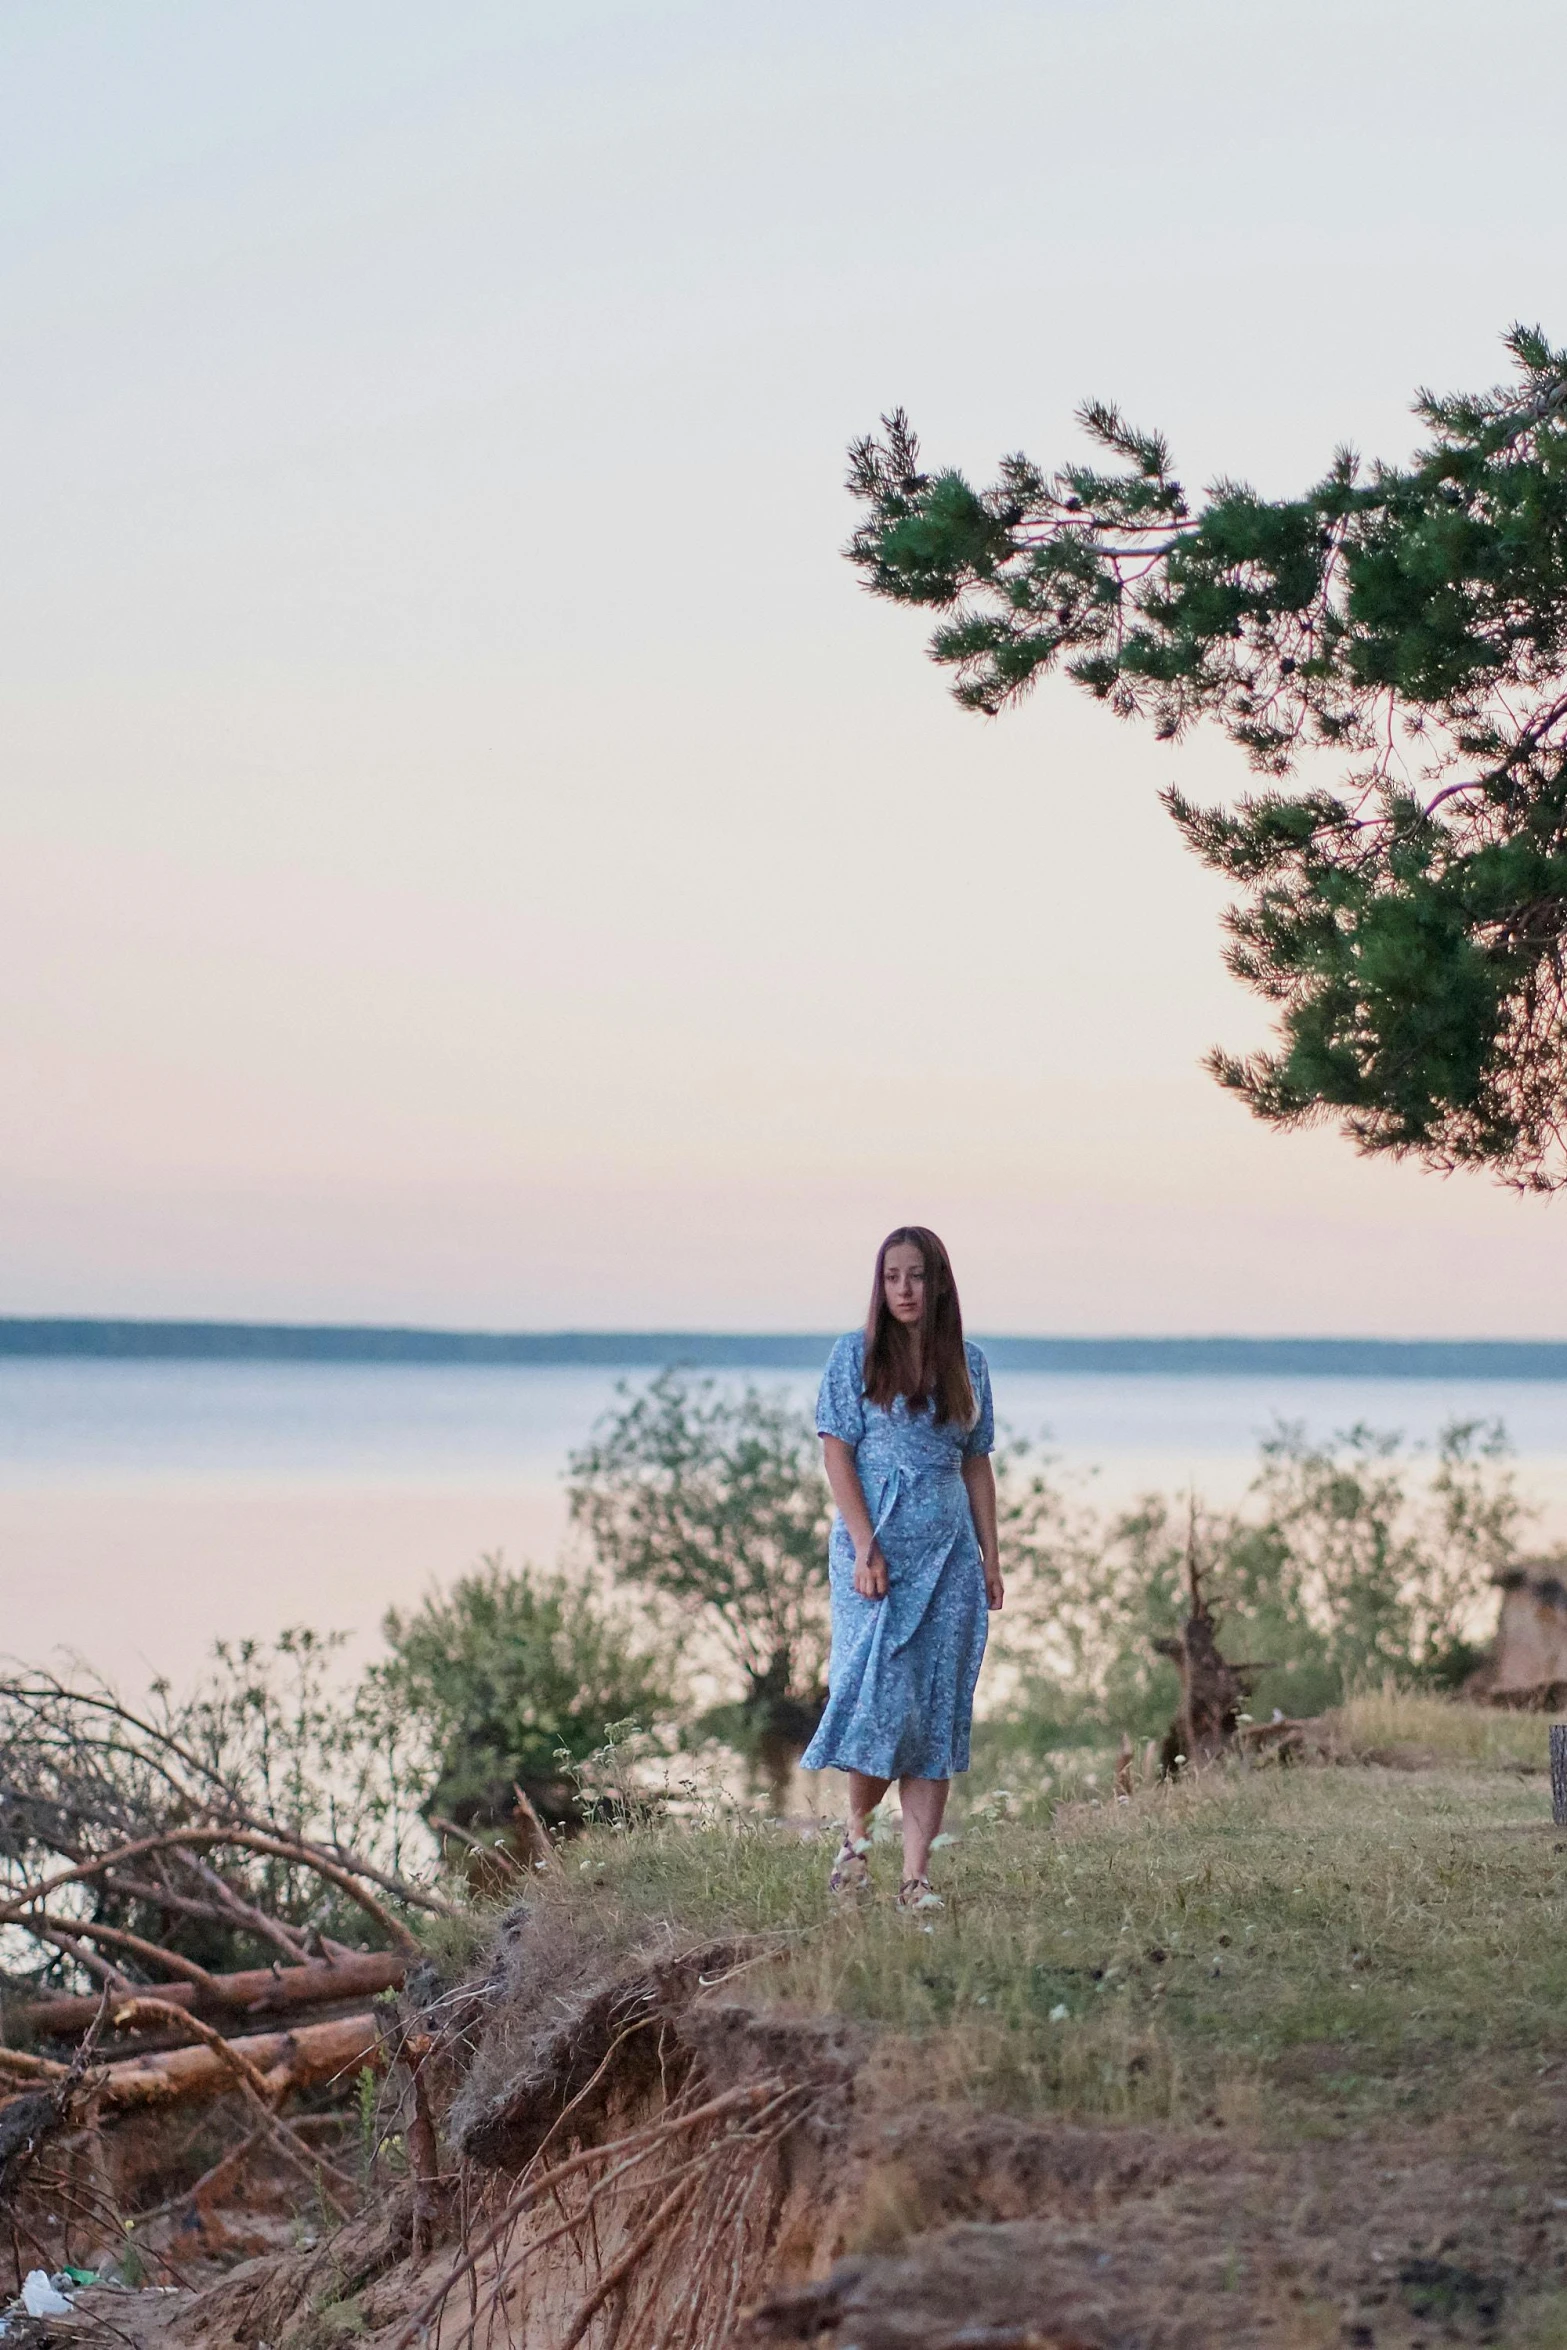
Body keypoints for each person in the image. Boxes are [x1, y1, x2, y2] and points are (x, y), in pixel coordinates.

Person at [801, 1225, 1003, 1910]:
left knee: (937, 1711)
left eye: (915, 1275)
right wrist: (864, 1546)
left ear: (938, 1281)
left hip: (949, 1555)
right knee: (877, 1699)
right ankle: (854, 1844)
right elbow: (836, 1454)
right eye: (891, 1278)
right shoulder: (852, 1356)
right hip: (875, 1554)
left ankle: (915, 1878)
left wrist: (990, 1557)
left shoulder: (968, 1364)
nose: (903, 1290)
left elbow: (975, 1460)